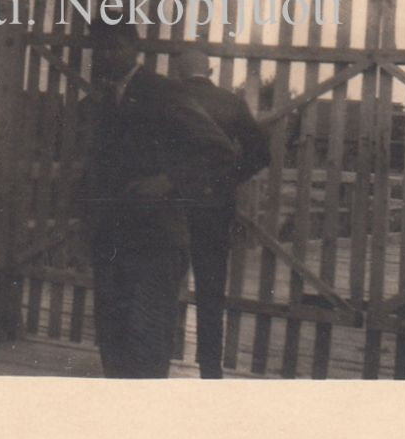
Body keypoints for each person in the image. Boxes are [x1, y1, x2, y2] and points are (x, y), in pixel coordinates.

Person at [81, 22, 236, 378]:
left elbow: (218, 150)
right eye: (100, 48)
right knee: (113, 338)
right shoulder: (102, 100)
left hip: (155, 238)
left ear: (134, 48)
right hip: (110, 238)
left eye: (115, 46)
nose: (106, 55)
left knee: (147, 338)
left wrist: (168, 181)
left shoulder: (162, 92)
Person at [170, 45, 271, 379]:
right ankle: (210, 368)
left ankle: (156, 359)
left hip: (168, 204)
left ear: (179, 70)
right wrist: (229, 178)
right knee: (211, 288)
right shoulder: (230, 102)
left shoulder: (168, 97)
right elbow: (259, 152)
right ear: (210, 71)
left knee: (163, 283)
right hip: (214, 204)